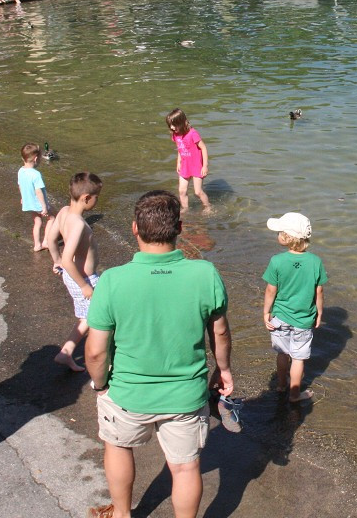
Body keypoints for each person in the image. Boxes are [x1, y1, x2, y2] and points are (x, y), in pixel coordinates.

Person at [85, 190, 232, 518]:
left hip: (127, 392)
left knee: (118, 446)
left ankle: (122, 514)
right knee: (184, 468)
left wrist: (100, 385)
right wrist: (224, 370)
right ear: (179, 227)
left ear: (135, 229)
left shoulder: (112, 281)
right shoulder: (204, 274)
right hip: (185, 395)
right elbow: (219, 332)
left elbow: (95, 352)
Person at [263, 212, 326, 403]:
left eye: (281, 231)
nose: (278, 234)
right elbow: (319, 291)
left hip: (280, 316)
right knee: (298, 358)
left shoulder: (277, 261)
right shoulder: (315, 262)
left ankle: (281, 385)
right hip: (304, 319)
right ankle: (294, 394)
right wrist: (319, 312)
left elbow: (270, 291)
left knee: (282, 353)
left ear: (287, 237)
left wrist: (266, 312)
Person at [45, 172, 103, 371]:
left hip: (72, 276)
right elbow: (69, 259)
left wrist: (56, 261)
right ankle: (103, 359)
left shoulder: (63, 212)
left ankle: (66, 353)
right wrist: (85, 286)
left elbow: (51, 240)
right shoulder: (78, 223)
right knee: (98, 317)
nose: (97, 201)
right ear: (87, 198)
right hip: (84, 278)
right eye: (97, 198)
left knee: (87, 318)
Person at [166, 108, 210, 212]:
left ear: (181, 122)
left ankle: (208, 206)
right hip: (185, 165)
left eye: (174, 124)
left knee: (198, 192)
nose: (172, 127)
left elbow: (203, 148)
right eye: (170, 125)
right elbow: (180, 148)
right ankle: (185, 208)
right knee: (182, 190)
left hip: (196, 165)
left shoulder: (192, 133)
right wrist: (178, 162)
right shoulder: (175, 134)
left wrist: (205, 166)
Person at [17, 143, 51, 251]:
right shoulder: (36, 174)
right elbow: (39, 192)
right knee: (53, 218)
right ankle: (46, 241)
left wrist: (23, 198)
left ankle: (37, 245)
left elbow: (20, 185)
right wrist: (44, 207)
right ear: (36, 159)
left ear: (23, 158)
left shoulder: (21, 171)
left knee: (37, 222)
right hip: (38, 203)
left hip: (29, 202)